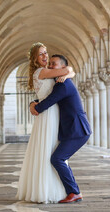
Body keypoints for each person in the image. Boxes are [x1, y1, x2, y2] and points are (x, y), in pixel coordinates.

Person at [16, 42, 75, 203]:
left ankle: (53, 188)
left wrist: (67, 74)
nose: (45, 56)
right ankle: (47, 190)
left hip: (50, 113)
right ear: (35, 58)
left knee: (50, 148)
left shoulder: (42, 72)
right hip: (49, 114)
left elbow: (68, 72)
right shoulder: (42, 71)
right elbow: (69, 69)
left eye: (46, 52)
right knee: (49, 149)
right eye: (41, 54)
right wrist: (67, 73)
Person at [30, 54, 91, 204]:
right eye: (49, 63)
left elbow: (47, 102)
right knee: (59, 158)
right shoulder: (62, 83)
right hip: (73, 130)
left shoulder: (63, 85)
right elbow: (50, 98)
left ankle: (74, 192)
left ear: (63, 68)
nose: (50, 66)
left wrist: (34, 106)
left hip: (78, 130)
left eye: (53, 64)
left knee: (57, 158)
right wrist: (34, 103)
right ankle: (73, 191)